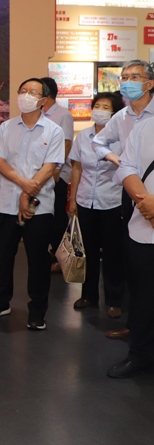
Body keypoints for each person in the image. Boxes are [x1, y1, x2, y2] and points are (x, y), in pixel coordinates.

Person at [0, 78, 64, 330]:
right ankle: (0, 302)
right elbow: (0, 162)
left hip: (40, 207)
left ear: (43, 100)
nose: (26, 95)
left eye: (32, 92)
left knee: (38, 260)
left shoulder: (53, 131)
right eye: (23, 91)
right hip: (7, 204)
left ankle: (37, 310)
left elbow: (50, 167)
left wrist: (29, 190)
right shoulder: (7, 127)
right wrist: (24, 185)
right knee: (3, 257)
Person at [92, 59, 154, 340]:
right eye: (124, 77)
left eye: (135, 77)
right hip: (132, 192)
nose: (127, 82)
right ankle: (135, 325)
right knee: (135, 261)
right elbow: (98, 142)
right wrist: (116, 159)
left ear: (149, 83)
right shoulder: (121, 117)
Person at [68, 92, 125, 316]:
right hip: (85, 201)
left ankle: (114, 299)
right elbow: (77, 168)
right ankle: (88, 295)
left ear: (115, 113)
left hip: (112, 201)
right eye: (97, 106)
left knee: (112, 252)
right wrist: (73, 199)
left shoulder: (122, 137)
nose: (100, 110)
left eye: (105, 107)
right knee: (88, 251)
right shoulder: (83, 136)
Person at [107, 116, 154, 378]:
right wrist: (147, 205)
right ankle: (140, 354)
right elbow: (127, 168)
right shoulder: (144, 128)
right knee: (142, 297)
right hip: (143, 228)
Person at [40, 77, 75, 270]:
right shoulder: (40, 114)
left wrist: (56, 170)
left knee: (58, 215)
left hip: (57, 175)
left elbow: (66, 144)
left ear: (45, 94)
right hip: (42, 174)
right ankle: (49, 252)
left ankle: (60, 255)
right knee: (47, 213)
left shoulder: (63, 115)